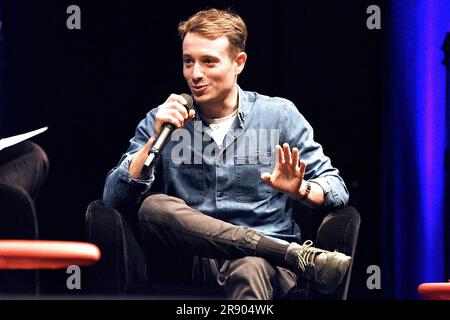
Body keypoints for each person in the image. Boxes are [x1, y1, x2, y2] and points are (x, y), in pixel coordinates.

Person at [103, 8, 350, 300]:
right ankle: (292, 254)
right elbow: (113, 198)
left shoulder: (279, 115)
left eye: (209, 62)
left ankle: (271, 252)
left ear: (239, 62)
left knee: (249, 266)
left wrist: (302, 189)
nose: (195, 74)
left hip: (266, 266)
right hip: (197, 260)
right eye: (188, 62)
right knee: (154, 206)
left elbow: (335, 186)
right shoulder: (164, 119)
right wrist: (154, 140)